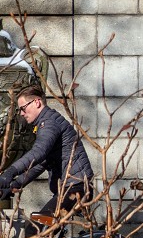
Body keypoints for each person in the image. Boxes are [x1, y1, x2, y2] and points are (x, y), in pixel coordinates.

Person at [0, 87, 95, 217]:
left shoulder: (49, 123)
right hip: (70, 188)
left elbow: (39, 152)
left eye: (23, 108)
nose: (21, 113)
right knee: (46, 230)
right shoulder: (46, 123)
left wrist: (10, 172)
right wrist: (14, 184)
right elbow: (41, 163)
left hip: (75, 188)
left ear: (37, 102)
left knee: (36, 230)